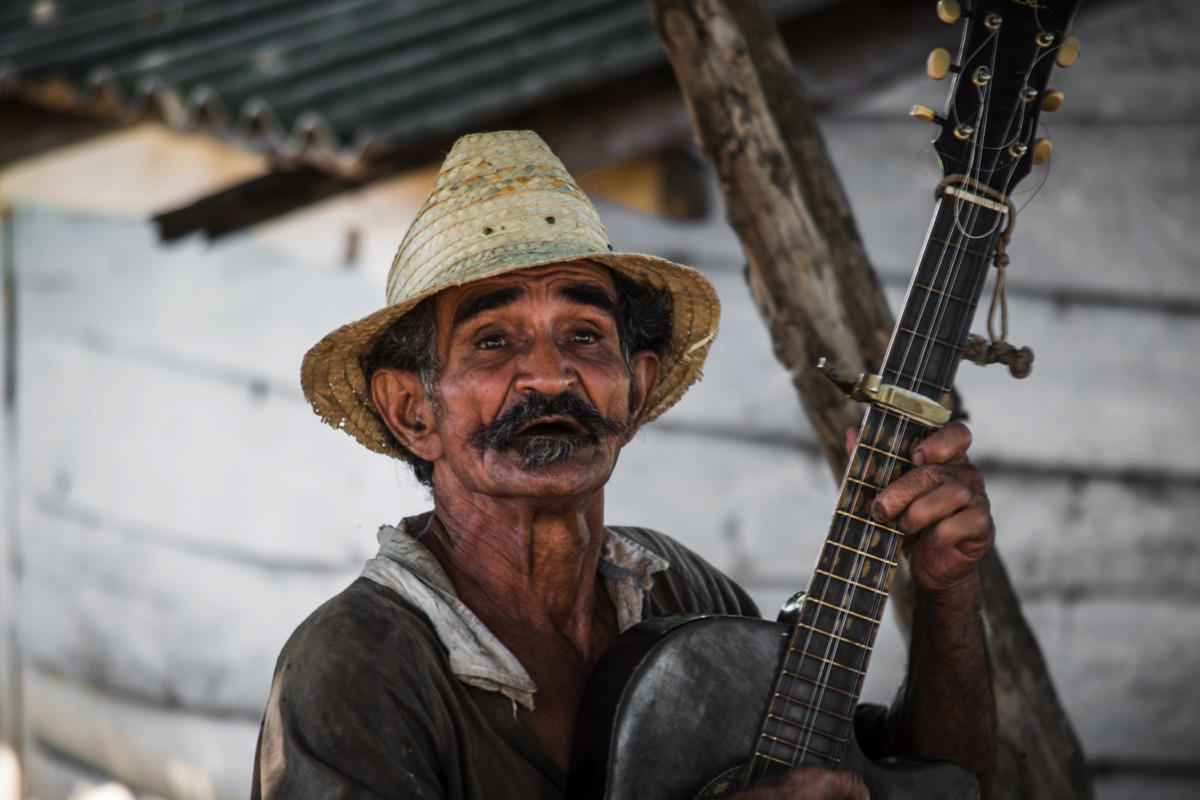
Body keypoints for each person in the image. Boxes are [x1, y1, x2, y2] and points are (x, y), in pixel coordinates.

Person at [251, 130, 996, 800]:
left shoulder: (681, 592)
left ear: (635, 392)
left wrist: (947, 591)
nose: (549, 376)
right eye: (492, 341)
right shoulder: (357, 664)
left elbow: (917, 778)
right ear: (414, 412)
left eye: (583, 335)